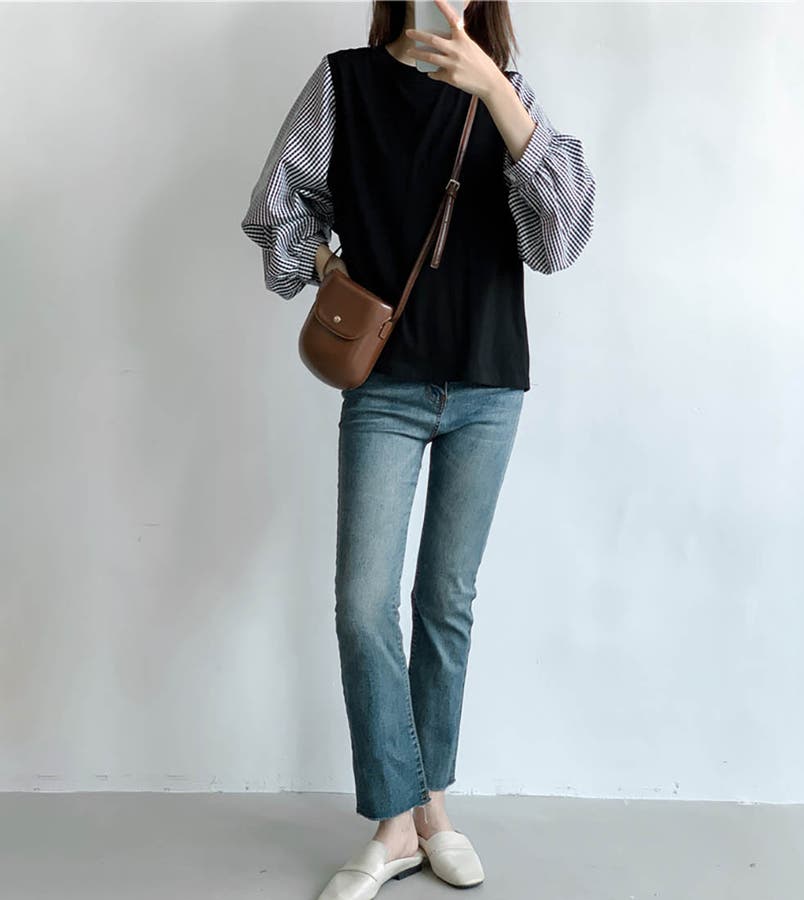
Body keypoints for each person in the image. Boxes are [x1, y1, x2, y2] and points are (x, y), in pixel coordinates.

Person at [241, 1, 595, 897]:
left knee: (445, 601)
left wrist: (496, 94)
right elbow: (275, 208)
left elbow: (562, 238)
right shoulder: (345, 84)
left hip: (487, 382)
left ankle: (430, 808)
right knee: (364, 606)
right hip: (386, 384)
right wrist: (326, 269)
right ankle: (396, 821)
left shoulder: (507, 91)